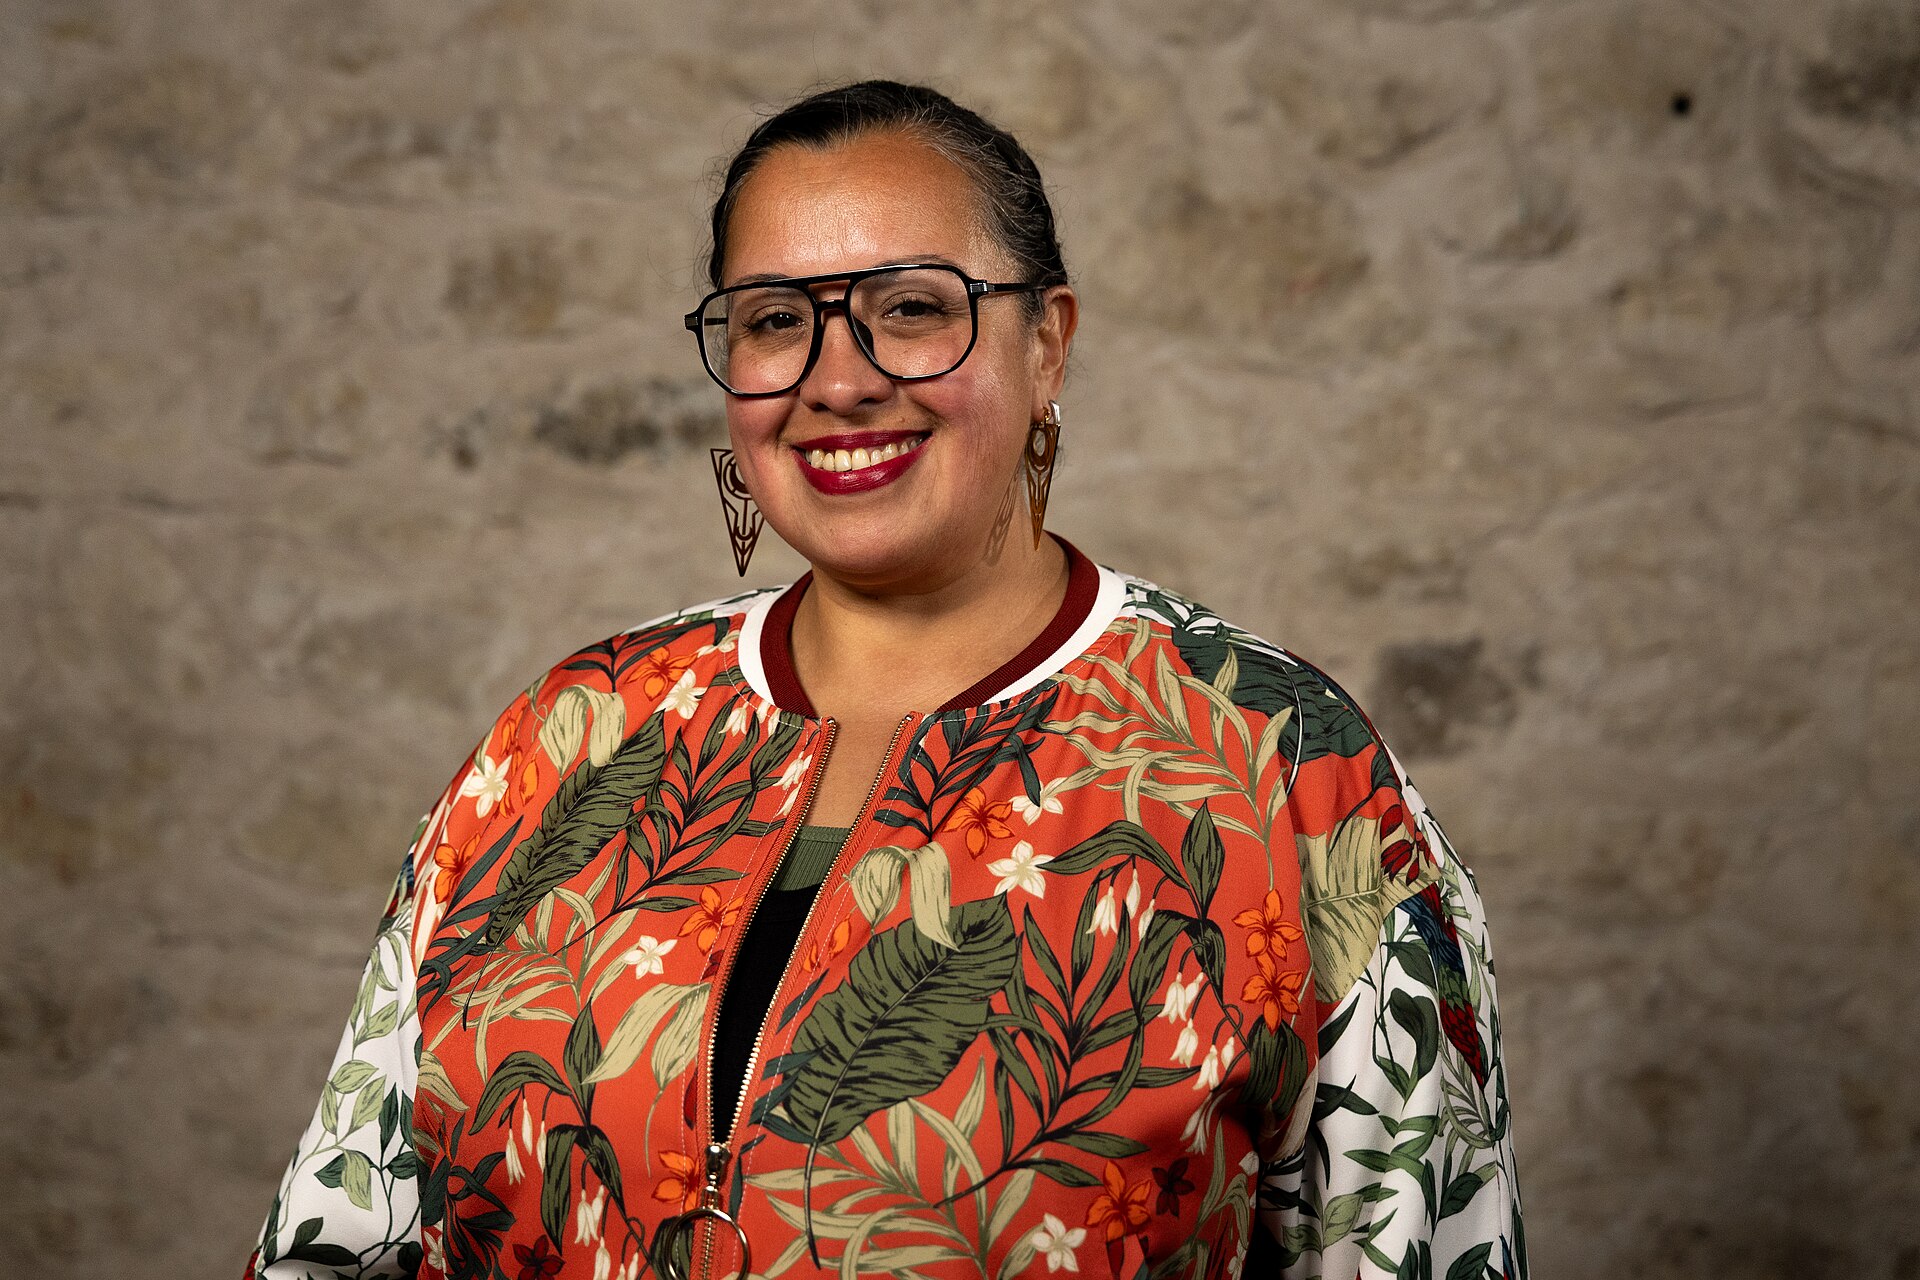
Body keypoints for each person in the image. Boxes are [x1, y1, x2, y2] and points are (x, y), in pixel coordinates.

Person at [247, 81, 1524, 1280]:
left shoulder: (1283, 765)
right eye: (774, 321)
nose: (839, 379)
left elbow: (1417, 1240)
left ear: (1048, 346)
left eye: (912, 307)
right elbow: (338, 1230)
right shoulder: (568, 738)